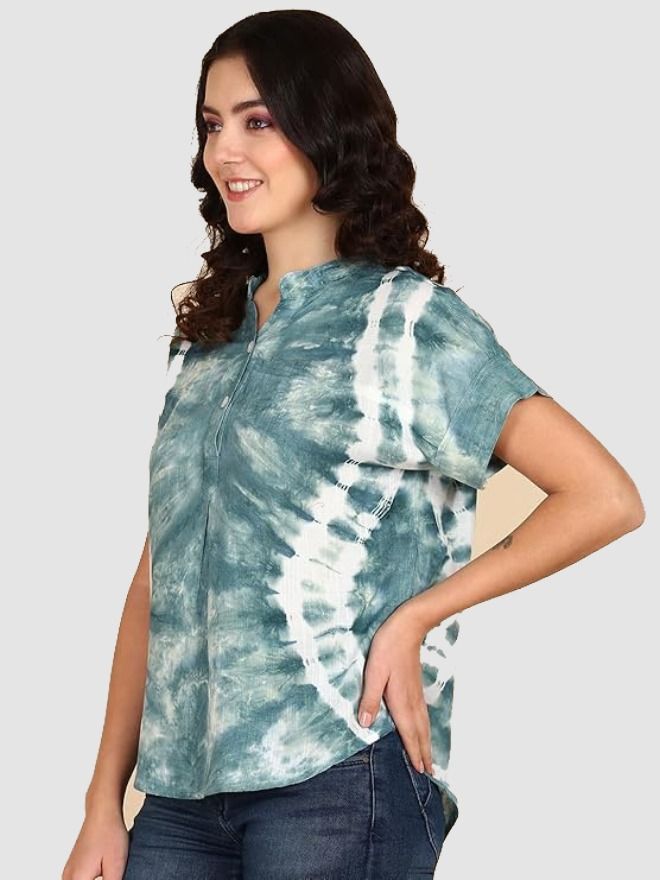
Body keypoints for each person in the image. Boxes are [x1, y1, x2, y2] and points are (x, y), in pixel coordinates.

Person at [61, 10, 645, 880]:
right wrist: (102, 802)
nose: (226, 151)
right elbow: (156, 586)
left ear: (326, 128)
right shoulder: (206, 345)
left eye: (259, 121)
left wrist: (417, 615)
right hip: (179, 795)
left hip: (337, 770)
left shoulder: (405, 325)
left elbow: (605, 497)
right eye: (212, 124)